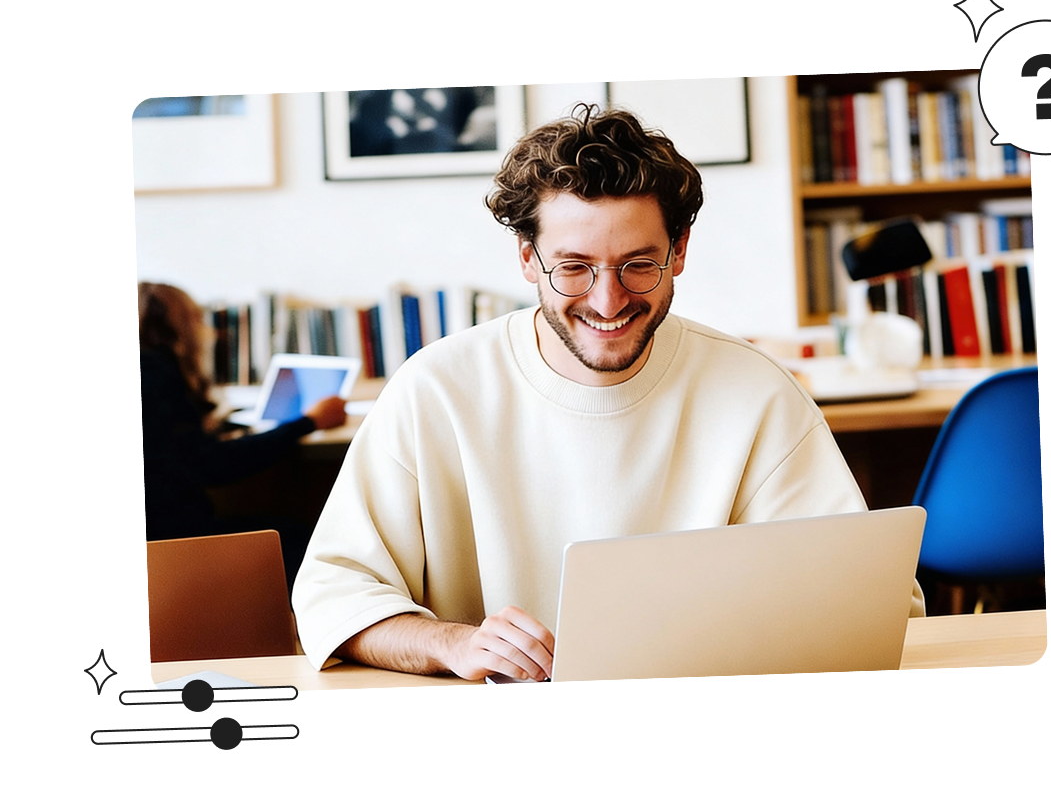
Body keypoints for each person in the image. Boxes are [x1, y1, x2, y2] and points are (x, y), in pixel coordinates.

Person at [292, 105, 924, 681]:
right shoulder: (434, 389)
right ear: (526, 258)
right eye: (573, 267)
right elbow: (332, 594)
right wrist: (450, 644)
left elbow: (866, 593)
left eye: (637, 264)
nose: (607, 299)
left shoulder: (755, 390)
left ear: (678, 252)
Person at [139, 282, 347, 586]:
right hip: (174, 543)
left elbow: (176, 453)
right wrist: (309, 422)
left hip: (162, 536)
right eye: (198, 319)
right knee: (308, 543)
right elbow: (213, 466)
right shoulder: (154, 374)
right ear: (180, 325)